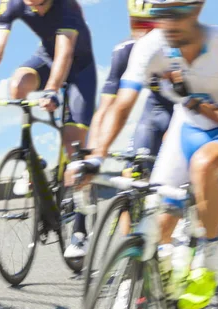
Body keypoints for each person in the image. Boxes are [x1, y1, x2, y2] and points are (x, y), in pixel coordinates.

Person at [71, 0, 218, 309]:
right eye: (160, 14)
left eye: (177, 12)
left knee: (202, 168)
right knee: (158, 225)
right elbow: (121, 104)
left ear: (197, 8)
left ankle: (203, 261)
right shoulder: (150, 46)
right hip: (185, 129)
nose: (167, 23)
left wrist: (201, 107)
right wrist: (96, 155)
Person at [0, 0, 97, 252]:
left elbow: (65, 54)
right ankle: (34, 161)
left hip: (79, 69)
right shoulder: (11, 4)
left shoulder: (67, 6)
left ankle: (80, 228)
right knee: (18, 86)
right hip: (45, 58)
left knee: (72, 143)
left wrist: (53, 90)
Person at [62, 0, 175, 261]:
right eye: (137, 23)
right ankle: (130, 262)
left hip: (184, 114)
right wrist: (94, 154)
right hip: (156, 112)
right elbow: (107, 109)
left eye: (150, 24)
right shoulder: (125, 52)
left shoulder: (176, 46)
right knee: (131, 180)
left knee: (176, 182)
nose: (143, 32)